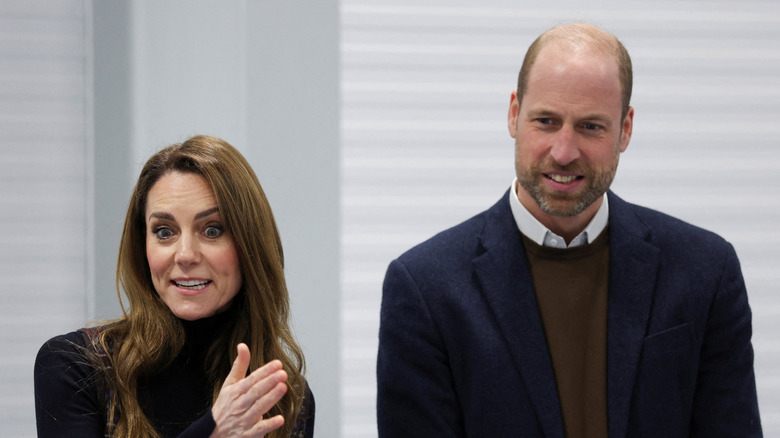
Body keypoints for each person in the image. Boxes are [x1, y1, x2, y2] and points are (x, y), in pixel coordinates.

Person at [377, 23, 761, 437]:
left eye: (590, 126)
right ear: (513, 114)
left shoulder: (706, 271)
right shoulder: (425, 288)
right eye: (546, 121)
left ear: (625, 129)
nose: (564, 152)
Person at [35, 135, 314, 438]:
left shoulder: (285, 398)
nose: (185, 255)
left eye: (212, 230)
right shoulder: (76, 366)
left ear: (250, 245)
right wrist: (212, 430)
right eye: (164, 232)